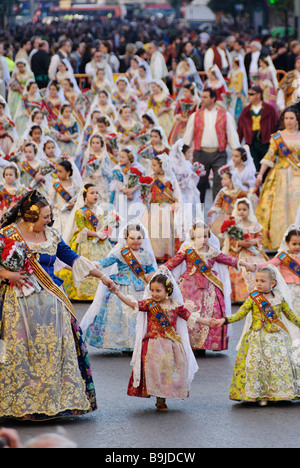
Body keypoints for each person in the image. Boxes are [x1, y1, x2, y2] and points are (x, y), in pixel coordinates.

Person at [0, 190, 116, 420]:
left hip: (52, 304)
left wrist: (102, 277)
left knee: (53, 353)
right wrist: (7, 274)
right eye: (45, 217)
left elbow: (73, 258)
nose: (49, 220)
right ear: (29, 217)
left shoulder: (52, 235)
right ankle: (23, 407)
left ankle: (53, 403)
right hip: (19, 305)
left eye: (49, 216)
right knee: (22, 354)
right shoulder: (7, 235)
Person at [114, 266, 201, 411]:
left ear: (168, 291)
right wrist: (117, 293)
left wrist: (208, 322)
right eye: (152, 290)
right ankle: (159, 399)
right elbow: (133, 304)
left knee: (168, 372)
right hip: (153, 345)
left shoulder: (176, 306)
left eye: (158, 291)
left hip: (172, 345)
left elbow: (190, 317)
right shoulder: (149, 304)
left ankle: (163, 397)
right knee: (154, 371)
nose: (154, 293)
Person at [212, 266, 300, 406]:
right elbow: (240, 314)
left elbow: (291, 316)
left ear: (273, 283)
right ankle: (259, 394)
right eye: (257, 280)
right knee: (257, 366)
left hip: (276, 337)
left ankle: (276, 393)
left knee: (277, 364)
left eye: (262, 281)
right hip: (257, 337)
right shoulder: (253, 298)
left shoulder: (279, 298)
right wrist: (224, 320)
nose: (258, 283)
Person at [164, 221, 253, 353]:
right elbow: (174, 262)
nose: (203, 240)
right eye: (199, 237)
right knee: (187, 311)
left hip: (210, 287)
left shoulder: (212, 251)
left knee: (213, 311)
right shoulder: (188, 250)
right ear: (193, 237)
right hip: (189, 287)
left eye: (205, 236)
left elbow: (228, 259)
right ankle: (188, 343)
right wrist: (161, 270)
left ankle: (205, 343)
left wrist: (245, 264)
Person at [82, 221, 157, 352]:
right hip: (122, 287)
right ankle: (125, 343)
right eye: (132, 238)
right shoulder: (121, 253)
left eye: (139, 238)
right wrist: (91, 267)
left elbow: (150, 272)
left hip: (141, 288)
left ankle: (136, 343)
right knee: (123, 314)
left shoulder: (146, 254)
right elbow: (105, 262)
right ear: (125, 238)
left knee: (138, 315)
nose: (136, 241)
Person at [183, 87, 240, 203]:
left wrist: (237, 152)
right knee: (200, 183)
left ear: (213, 99)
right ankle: (199, 214)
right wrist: (183, 153)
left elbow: (232, 135)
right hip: (200, 153)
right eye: (201, 97)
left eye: (205, 97)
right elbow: (188, 137)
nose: (202, 100)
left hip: (219, 154)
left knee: (220, 183)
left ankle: (217, 214)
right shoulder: (195, 116)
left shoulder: (225, 115)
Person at [57, 184, 112, 301]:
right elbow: (82, 230)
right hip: (85, 242)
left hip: (100, 242)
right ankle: (86, 294)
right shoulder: (80, 211)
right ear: (85, 195)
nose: (95, 195)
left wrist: (106, 231)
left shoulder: (100, 210)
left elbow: (101, 226)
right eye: (92, 193)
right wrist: (97, 234)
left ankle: (102, 291)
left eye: (97, 193)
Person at [255, 107, 300, 250]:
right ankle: (281, 241)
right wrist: (261, 174)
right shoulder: (277, 137)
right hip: (279, 175)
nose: (288, 121)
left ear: (297, 120)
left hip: (296, 176)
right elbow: (269, 155)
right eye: (286, 118)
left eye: (291, 118)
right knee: (278, 208)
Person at [222, 198, 269, 303]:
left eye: (244, 209)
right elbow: (230, 239)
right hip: (238, 252)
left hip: (252, 252)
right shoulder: (233, 224)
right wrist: (240, 243)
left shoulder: (254, 224)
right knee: (237, 270)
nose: (242, 212)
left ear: (249, 211)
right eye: (239, 209)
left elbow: (259, 237)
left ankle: (257, 293)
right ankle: (239, 296)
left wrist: (253, 241)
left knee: (258, 269)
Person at [237, 85, 279, 172]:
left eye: (251, 94)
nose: (249, 96)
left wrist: (276, 142)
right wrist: (238, 144)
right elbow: (240, 129)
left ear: (259, 95)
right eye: (248, 94)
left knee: (268, 166)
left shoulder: (269, 109)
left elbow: (277, 125)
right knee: (254, 167)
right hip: (251, 143)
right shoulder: (245, 111)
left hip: (266, 142)